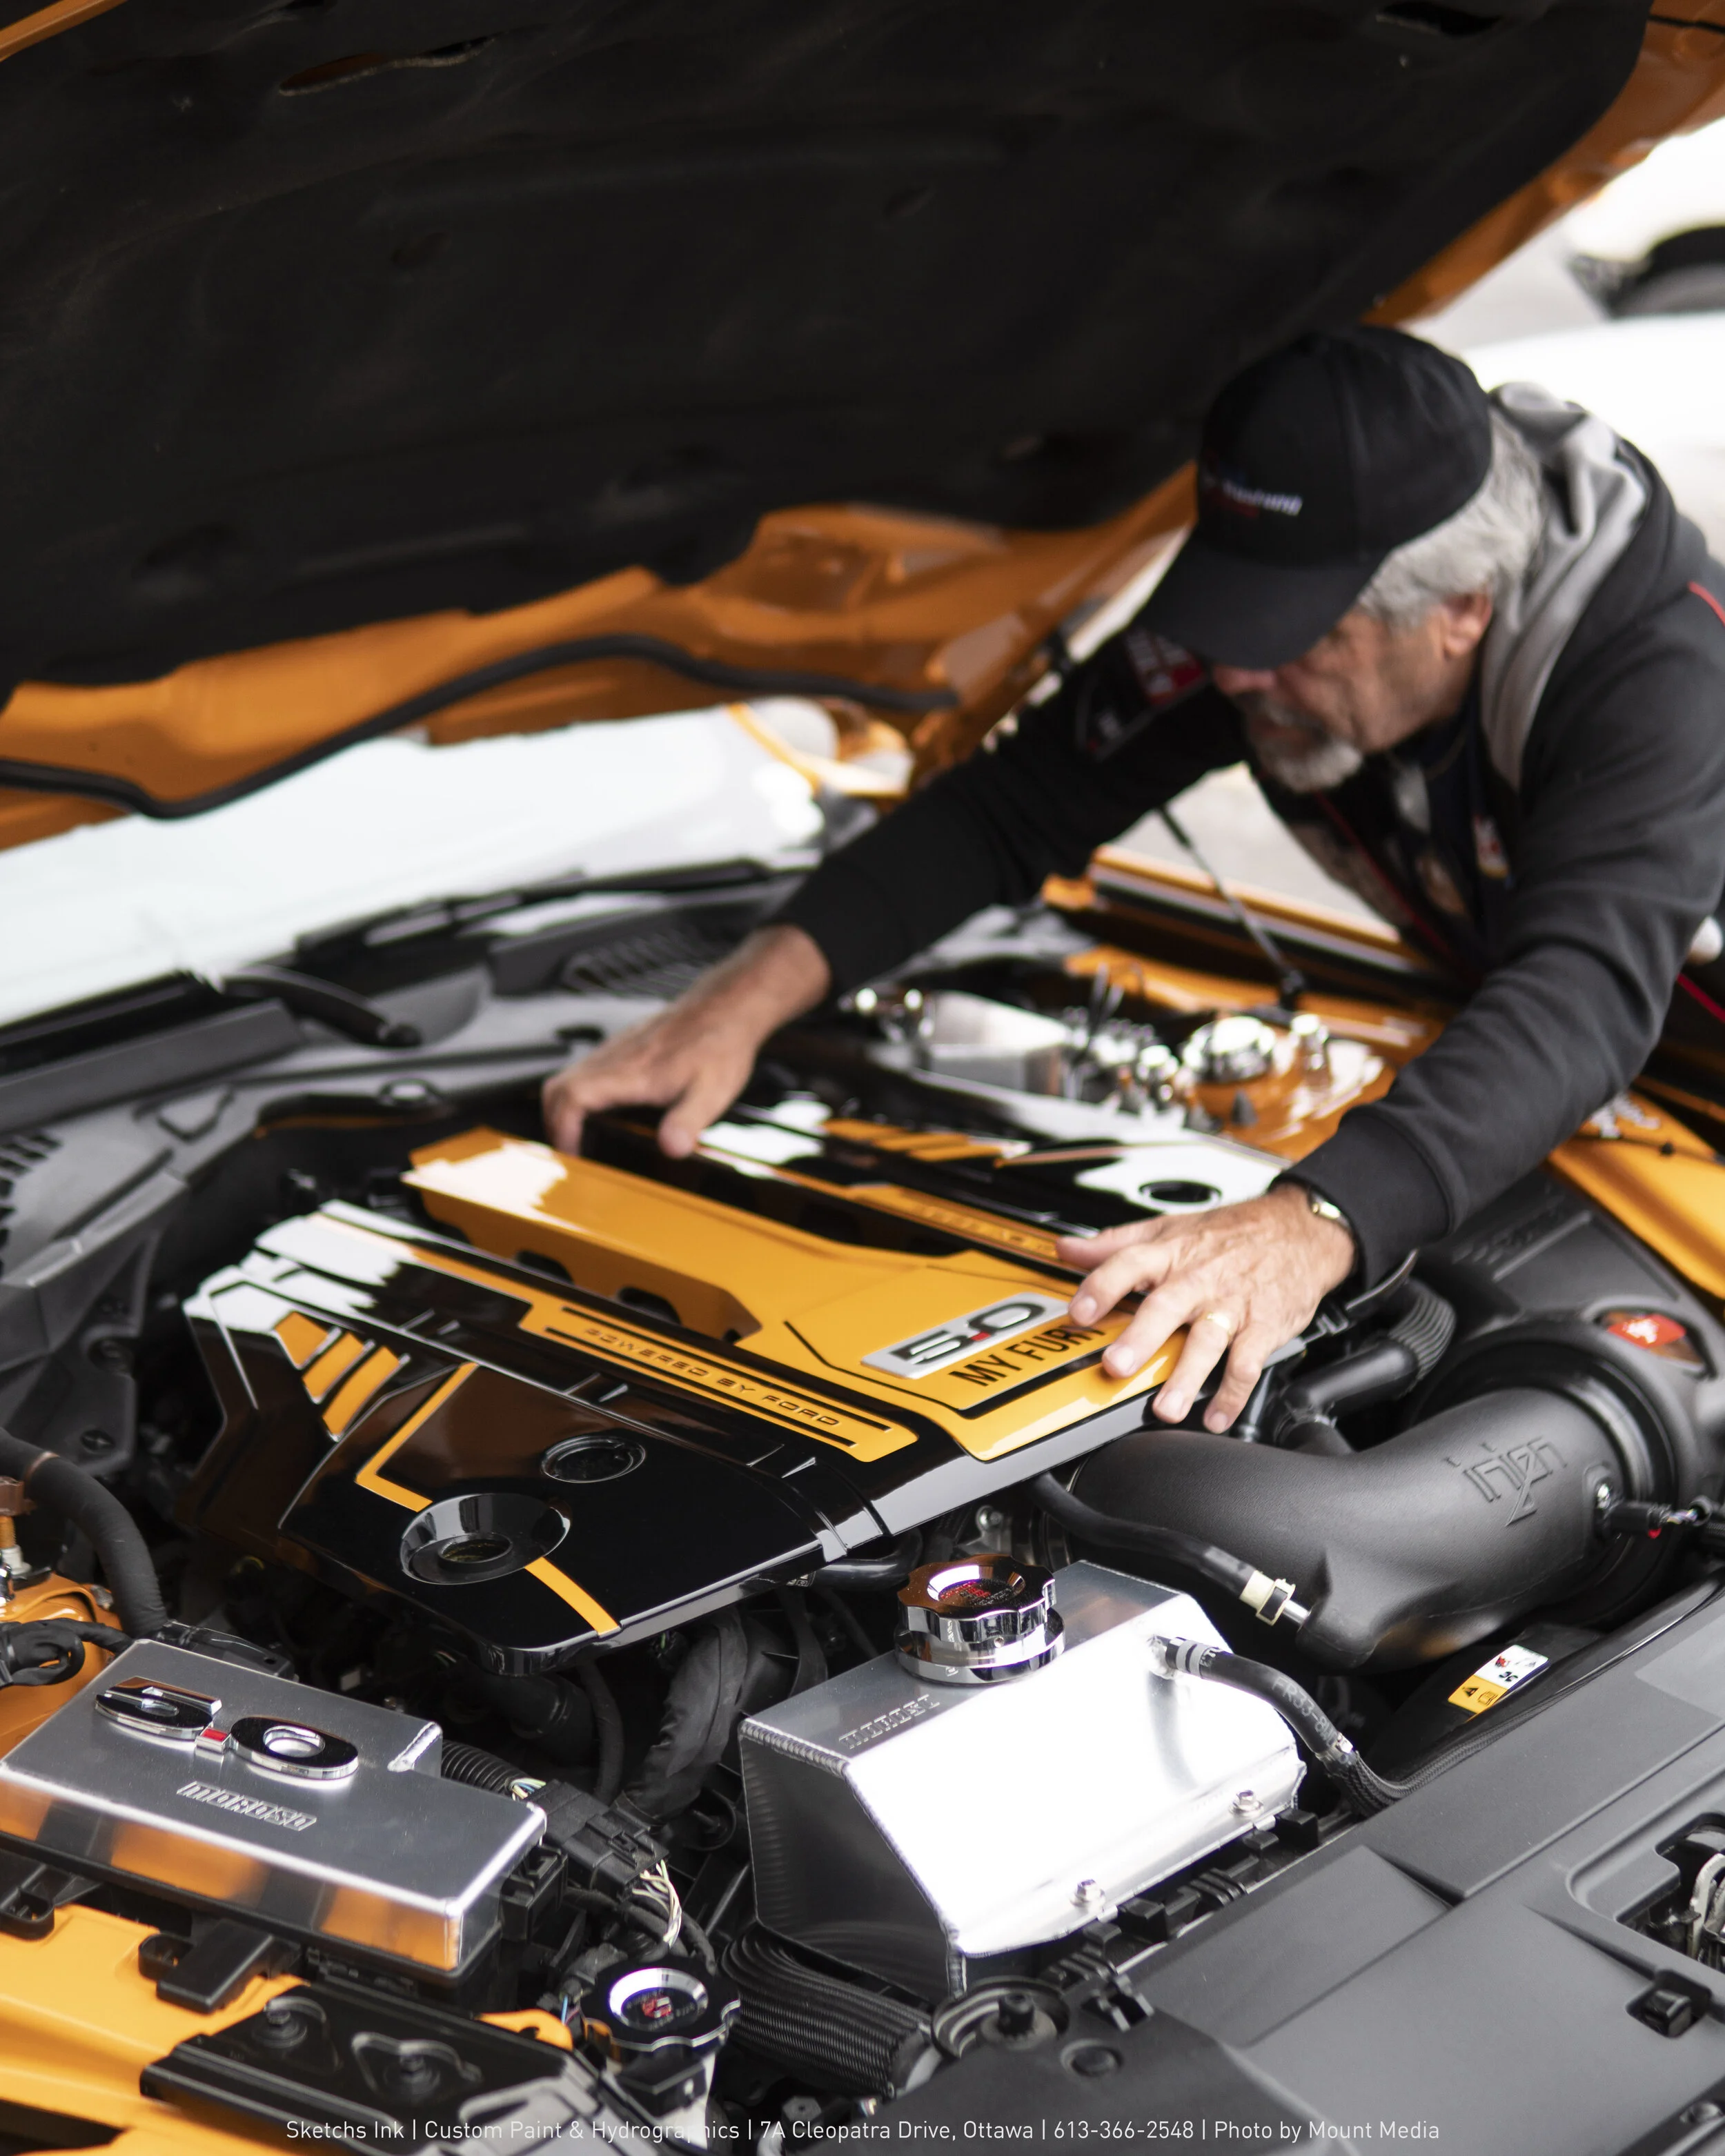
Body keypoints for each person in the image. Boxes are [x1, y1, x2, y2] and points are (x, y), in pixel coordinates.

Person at [544, 327, 1725, 1434]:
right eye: (1233, 617)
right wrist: (734, 1004)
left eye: (1303, 636)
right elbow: (1014, 806)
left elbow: (1583, 988)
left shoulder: (1655, 675)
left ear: (1461, 614)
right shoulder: (1284, 626)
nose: (1241, 673)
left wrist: (1315, 1222)